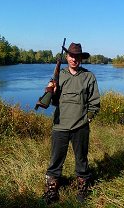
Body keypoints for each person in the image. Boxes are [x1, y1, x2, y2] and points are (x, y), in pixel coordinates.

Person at [42, 42, 100, 204]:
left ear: (81, 58)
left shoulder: (89, 76)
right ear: (67, 57)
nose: (74, 59)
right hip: (60, 126)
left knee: (81, 160)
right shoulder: (59, 75)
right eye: (71, 56)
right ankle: (51, 190)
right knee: (55, 160)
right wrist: (49, 91)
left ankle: (83, 188)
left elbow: (94, 102)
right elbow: (53, 102)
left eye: (77, 57)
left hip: (80, 127)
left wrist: (87, 118)